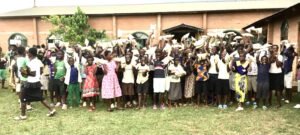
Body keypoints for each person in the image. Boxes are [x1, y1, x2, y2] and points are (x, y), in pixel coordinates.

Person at [14, 47, 55, 120]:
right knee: (40, 98)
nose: (27, 54)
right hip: (36, 82)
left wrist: (23, 71)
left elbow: (33, 73)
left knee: (23, 99)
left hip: (30, 83)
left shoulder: (32, 62)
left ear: (30, 54)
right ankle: (51, 110)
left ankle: (23, 115)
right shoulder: (37, 61)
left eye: (28, 52)